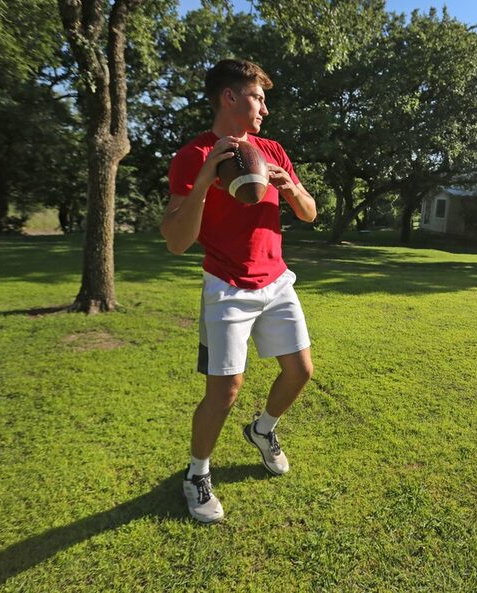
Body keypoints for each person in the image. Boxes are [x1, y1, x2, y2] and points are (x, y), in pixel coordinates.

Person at [161, 59, 316, 523]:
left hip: (277, 279)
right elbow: (175, 241)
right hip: (226, 286)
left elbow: (309, 213)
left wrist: (289, 186)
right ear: (230, 97)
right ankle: (197, 473)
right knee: (225, 389)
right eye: (258, 97)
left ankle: (263, 430)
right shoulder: (193, 155)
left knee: (300, 371)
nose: (265, 108)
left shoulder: (273, 149)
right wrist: (207, 179)